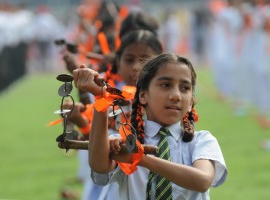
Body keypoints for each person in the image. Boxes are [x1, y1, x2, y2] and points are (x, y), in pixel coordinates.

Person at [73, 53, 227, 199]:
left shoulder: (202, 141)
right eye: (166, 85)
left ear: (191, 101)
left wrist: (139, 158)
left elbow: (202, 181)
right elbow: (99, 166)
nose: (176, 95)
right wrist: (101, 98)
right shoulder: (125, 141)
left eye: (185, 88)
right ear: (143, 96)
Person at [64, 29, 163, 200]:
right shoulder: (104, 89)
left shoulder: (166, 108)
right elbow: (100, 162)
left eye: (144, 60)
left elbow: (200, 179)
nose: (136, 67)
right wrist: (83, 119)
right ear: (117, 62)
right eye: (129, 59)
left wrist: (138, 157)